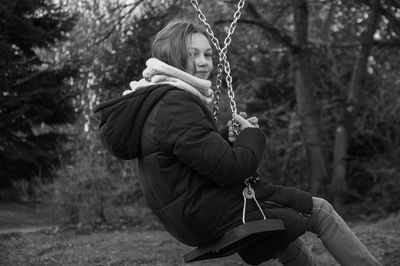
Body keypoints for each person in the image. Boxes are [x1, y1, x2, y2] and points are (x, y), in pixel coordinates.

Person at [94, 20, 382, 266]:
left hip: (194, 212)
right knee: (318, 210)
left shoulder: (158, 99)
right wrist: (251, 137)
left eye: (208, 54)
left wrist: (224, 138)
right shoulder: (175, 104)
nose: (205, 62)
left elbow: (191, 158)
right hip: (209, 212)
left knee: (278, 232)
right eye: (193, 54)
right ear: (172, 56)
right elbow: (232, 169)